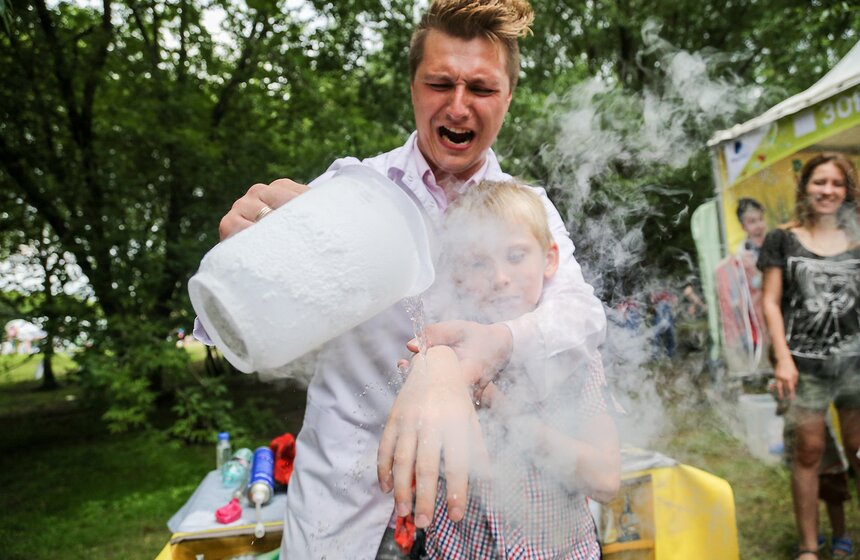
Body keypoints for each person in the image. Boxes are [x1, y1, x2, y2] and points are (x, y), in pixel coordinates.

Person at [202, 1, 607, 558]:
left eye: (482, 89)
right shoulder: (350, 190)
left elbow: (582, 316)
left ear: (508, 98)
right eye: (440, 82)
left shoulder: (528, 208)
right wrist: (247, 254)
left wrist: (497, 342)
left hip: (469, 526)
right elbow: (243, 322)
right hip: (346, 509)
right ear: (414, 87)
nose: (458, 106)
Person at [380, 180, 620, 558]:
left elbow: (605, 480)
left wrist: (496, 403)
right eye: (478, 262)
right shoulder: (441, 355)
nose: (499, 277)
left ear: (550, 259)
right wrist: (432, 367)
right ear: (456, 275)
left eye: (515, 255)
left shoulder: (576, 358)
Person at [758, 153, 860, 560]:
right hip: (804, 366)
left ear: (847, 191)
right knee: (809, 450)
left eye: (837, 184)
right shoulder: (782, 238)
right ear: (805, 188)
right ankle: (807, 547)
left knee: (858, 448)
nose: (828, 191)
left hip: (856, 364)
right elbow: (769, 302)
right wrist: (783, 359)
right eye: (820, 182)